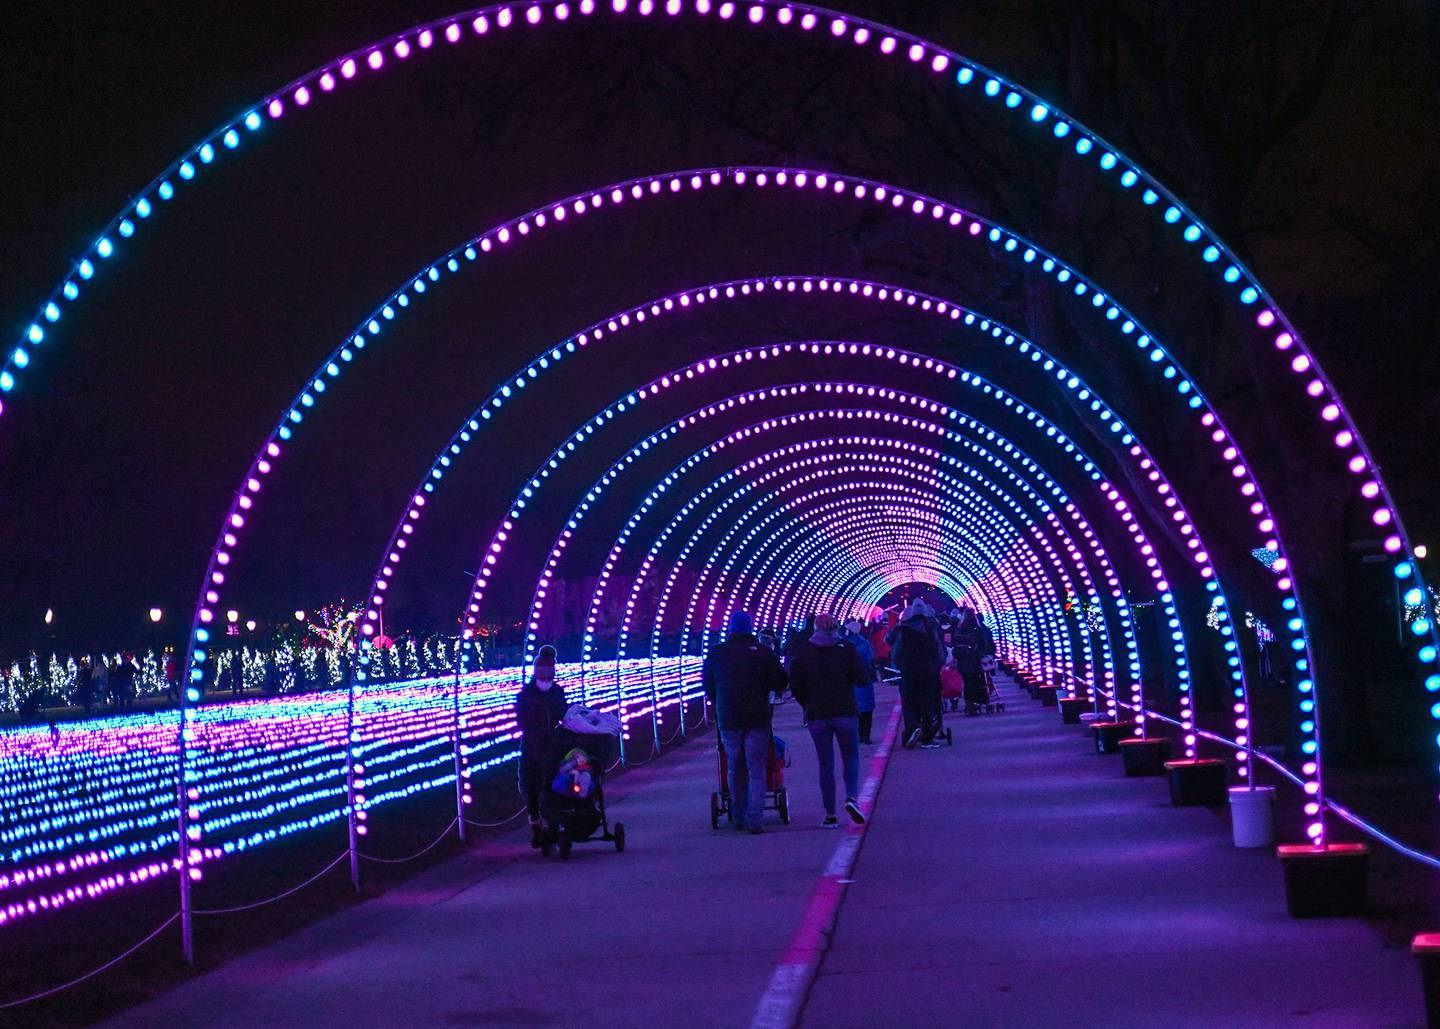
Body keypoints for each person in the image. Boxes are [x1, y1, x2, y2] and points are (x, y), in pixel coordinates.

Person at [703, 611, 787, 834]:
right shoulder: (762, 652)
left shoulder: (716, 653)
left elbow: (708, 686)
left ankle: (738, 815)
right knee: (756, 768)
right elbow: (780, 679)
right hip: (757, 716)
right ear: (750, 628)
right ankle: (755, 819)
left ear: (730, 628)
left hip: (728, 717)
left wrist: (720, 699)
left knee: (734, 765)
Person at [790, 614, 871, 827]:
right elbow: (861, 678)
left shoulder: (804, 651)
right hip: (845, 711)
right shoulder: (845, 648)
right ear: (836, 627)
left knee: (825, 763)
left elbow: (795, 684)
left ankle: (830, 815)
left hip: (817, 714)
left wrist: (806, 704)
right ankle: (852, 797)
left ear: (815, 628)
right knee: (851, 757)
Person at [516, 645, 568, 846]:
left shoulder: (555, 691)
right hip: (532, 744)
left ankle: (550, 822)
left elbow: (562, 712)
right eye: (542, 667)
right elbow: (522, 719)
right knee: (532, 785)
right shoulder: (528, 693)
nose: (546, 671)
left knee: (551, 782)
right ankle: (537, 823)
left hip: (551, 744)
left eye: (549, 667)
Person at [887, 600, 944, 749]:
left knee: (908, 701)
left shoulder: (903, 629)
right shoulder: (932, 628)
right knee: (928, 703)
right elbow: (939, 650)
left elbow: (896, 653)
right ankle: (927, 738)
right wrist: (939, 665)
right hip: (929, 671)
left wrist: (900, 665)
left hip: (908, 670)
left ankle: (913, 726)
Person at [843, 619, 877, 744]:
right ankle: (865, 735)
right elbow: (871, 657)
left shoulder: (843, 645)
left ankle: (854, 736)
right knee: (866, 711)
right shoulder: (865, 643)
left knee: (851, 712)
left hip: (848, 682)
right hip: (864, 679)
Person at [952, 609, 988, 715]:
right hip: (974, 660)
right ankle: (974, 704)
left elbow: (954, 643)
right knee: (975, 683)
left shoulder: (959, 629)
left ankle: (969, 705)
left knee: (967, 683)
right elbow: (983, 644)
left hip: (962, 662)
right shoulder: (977, 629)